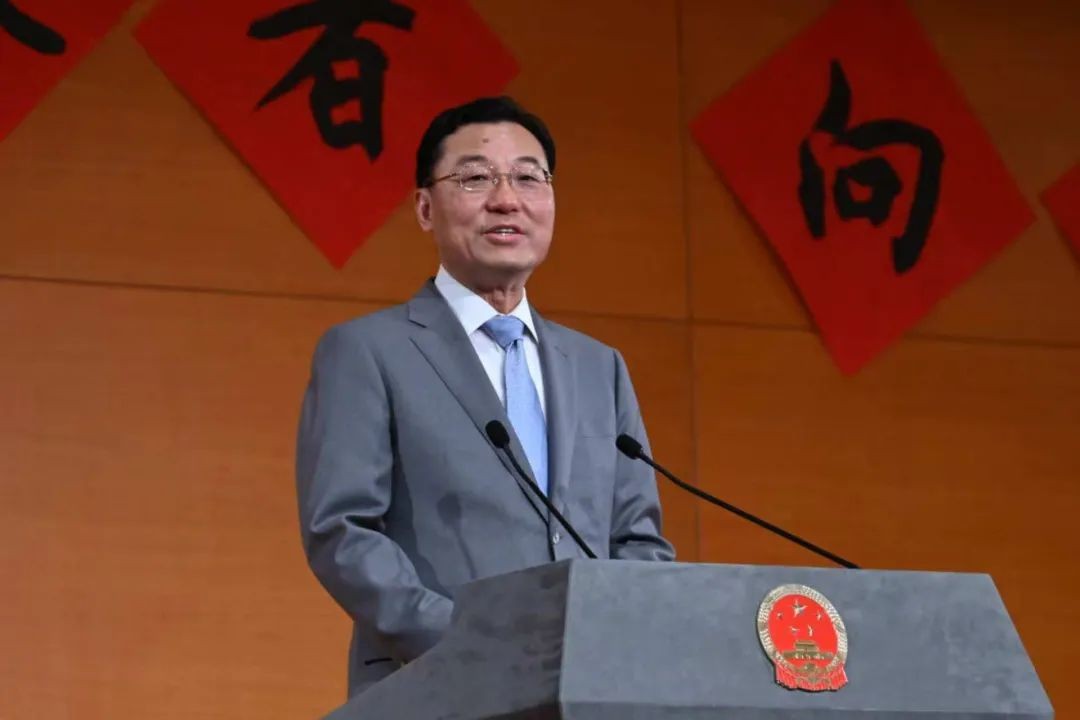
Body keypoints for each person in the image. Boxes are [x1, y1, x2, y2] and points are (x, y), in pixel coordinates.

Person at [296, 96, 674, 697]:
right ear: (425, 208)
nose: (506, 199)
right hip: (432, 684)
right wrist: (470, 644)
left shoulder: (598, 367)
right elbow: (343, 532)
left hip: (587, 692)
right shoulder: (368, 351)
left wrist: (610, 646)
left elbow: (638, 540)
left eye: (528, 177)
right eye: (475, 178)